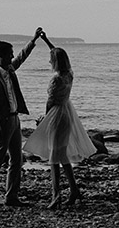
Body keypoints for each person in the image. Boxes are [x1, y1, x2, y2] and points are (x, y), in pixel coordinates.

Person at [22, 31, 97, 208]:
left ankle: (56, 197)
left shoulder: (56, 79)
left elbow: (50, 102)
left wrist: (45, 120)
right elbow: (57, 53)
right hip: (67, 113)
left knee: (54, 158)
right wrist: (46, 40)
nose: (49, 62)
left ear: (55, 62)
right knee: (62, 156)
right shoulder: (69, 74)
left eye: (51, 60)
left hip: (57, 115)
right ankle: (74, 191)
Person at [0, 28, 43, 207]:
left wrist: (34, 39)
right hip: (3, 123)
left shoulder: (10, 69)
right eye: (9, 55)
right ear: (0, 55)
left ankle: (11, 197)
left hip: (15, 120)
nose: (12, 57)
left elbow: (22, 57)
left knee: (17, 159)